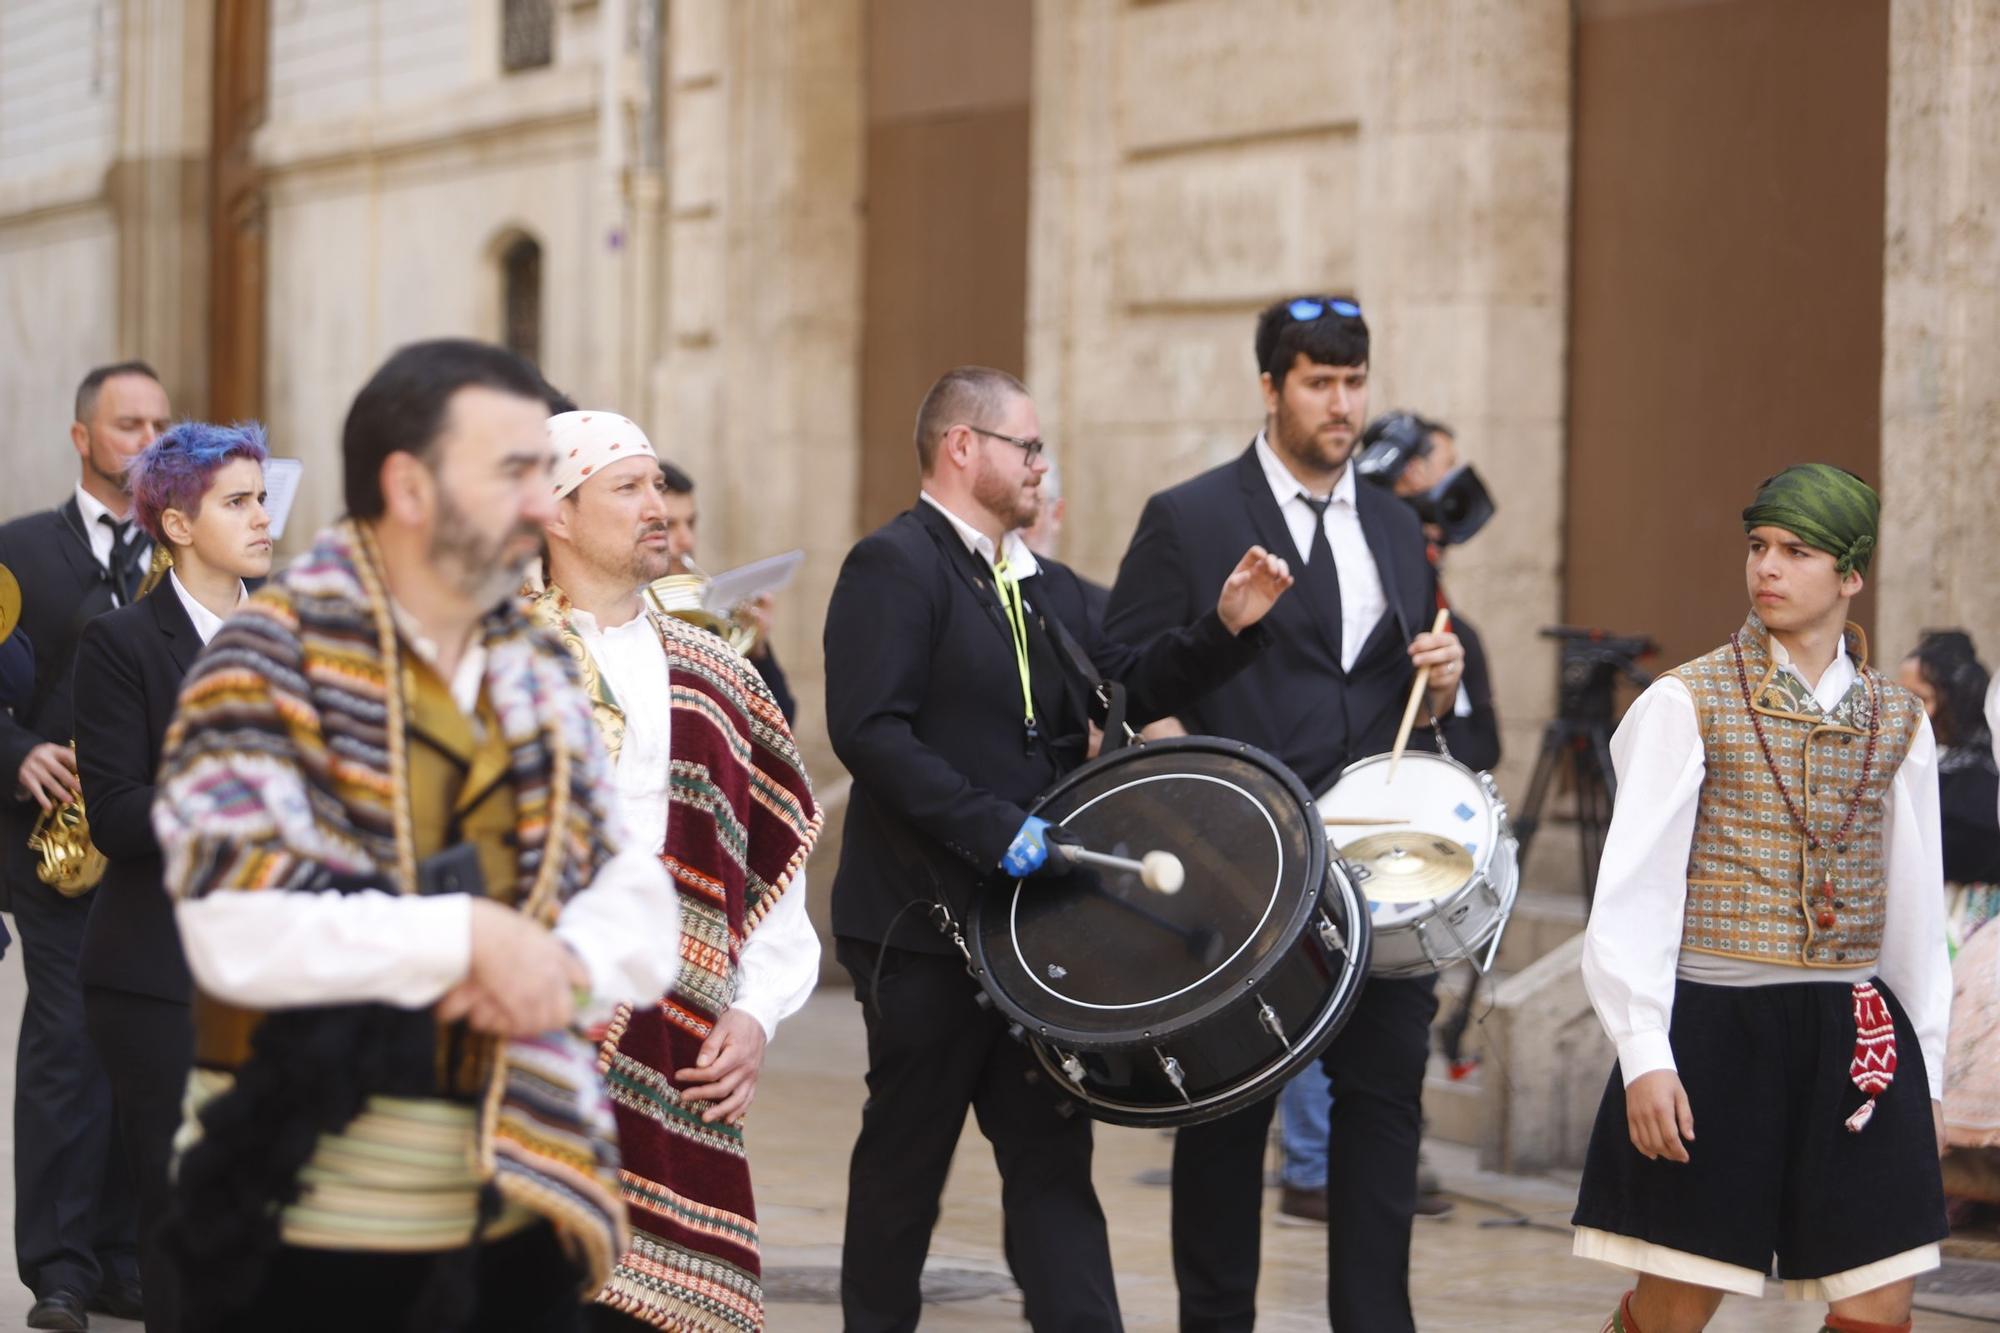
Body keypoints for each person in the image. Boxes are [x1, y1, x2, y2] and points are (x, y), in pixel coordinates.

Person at [152, 340, 685, 1332]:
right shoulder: (264, 663)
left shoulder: (530, 661)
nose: (542, 501)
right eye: (514, 470)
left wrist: (554, 962)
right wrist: (471, 941)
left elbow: (637, 895)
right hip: (305, 1218)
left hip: (517, 1198)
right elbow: (236, 925)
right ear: (409, 486)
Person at [825, 365, 1292, 1332]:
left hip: (1032, 938)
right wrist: (995, 828)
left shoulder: (1043, 584)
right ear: (964, 447)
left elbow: (1125, 678)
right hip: (921, 928)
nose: (1042, 465)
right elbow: (870, 731)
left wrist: (1224, 629)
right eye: (1027, 446)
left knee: (1050, 1162)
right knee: (904, 1166)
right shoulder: (894, 566)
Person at [1105, 296, 1464, 1331]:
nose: (1340, 403)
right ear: (1270, 389)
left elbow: (1392, 688)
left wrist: (1439, 686)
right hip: (1238, 878)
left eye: (1353, 382)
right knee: (1224, 1118)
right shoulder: (1190, 514)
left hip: (1380, 874)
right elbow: (1121, 676)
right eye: (1317, 382)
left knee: (1384, 1106)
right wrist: (1179, 764)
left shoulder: (1399, 525)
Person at [1571, 464, 1948, 1333]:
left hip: (1859, 1034)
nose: (1767, 568)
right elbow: (1633, 893)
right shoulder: (1685, 702)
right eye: (1758, 546)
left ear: (1851, 574)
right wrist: (1644, 1051)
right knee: (1679, 1296)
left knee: (1882, 1292)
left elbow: (1918, 910)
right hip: (1717, 1027)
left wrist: (1923, 1064)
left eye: (1796, 550)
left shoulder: (1900, 719)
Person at [526, 410, 820, 1332]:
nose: (658, 507)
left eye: (658, 486)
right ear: (555, 513)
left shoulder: (714, 668)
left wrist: (756, 1011)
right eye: (628, 488)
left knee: (665, 1310)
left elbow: (774, 861)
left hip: (684, 1049)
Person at [72, 422, 274, 1332]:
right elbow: (116, 815)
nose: (264, 517)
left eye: (263, 497)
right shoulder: (120, 643)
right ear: (179, 524)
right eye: (239, 502)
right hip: (160, 975)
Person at [0, 359, 170, 1330]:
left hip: (156, 846)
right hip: (56, 846)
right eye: (125, 424)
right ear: (82, 439)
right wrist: (19, 751)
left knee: (143, 1048)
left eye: (159, 423)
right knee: (67, 1046)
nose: (144, 440)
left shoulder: (195, 556)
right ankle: (59, 1267)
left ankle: (124, 1254)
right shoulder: (17, 551)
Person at [655, 461, 798, 722]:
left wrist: (757, 649)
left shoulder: (712, 608)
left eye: (690, 523)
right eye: (669, 526)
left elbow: (783, 718)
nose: (687, 540)